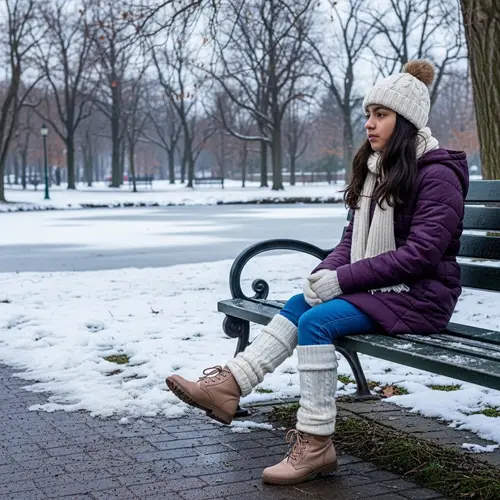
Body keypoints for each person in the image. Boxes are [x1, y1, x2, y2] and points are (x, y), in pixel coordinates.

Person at [166, 59, 469, 485]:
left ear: (406, 123)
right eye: (368, 114)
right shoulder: (378, 170)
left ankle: (316, 444)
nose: (369, 123)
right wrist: (325, 272)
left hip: (421, 297)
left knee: (317, 322)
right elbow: (349, 242)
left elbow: (421, 255)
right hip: (387, 291)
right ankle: (230, 385)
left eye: (381, 115)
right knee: (301, 301)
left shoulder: (437, 176)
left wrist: (343, 281)